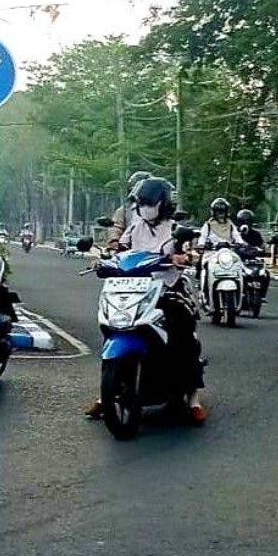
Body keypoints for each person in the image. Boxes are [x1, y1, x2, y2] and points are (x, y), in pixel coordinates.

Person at [84, 177, 207, 424]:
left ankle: (193, 397)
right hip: (133, 288)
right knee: (112, 326)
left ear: (164, 204)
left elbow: (188, 252)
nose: (145, 208)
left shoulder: (174, 229)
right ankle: (105, 391)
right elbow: (120, 251)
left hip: (167, 288)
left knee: (183, 328)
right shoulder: (135, 228)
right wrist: (103, 259)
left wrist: (182, 257)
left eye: (150, 203)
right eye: (142, 203)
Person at [107, 170, 153, 248]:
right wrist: (115, 240)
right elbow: (116, 227)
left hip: (158, 248)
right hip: (131, 248)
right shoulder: (125, 210)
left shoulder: (162, 209)